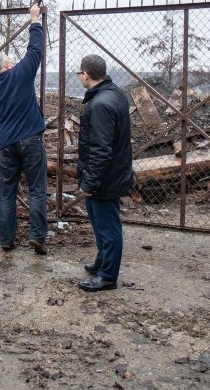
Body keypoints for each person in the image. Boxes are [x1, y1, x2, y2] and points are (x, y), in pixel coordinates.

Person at [0, 3, 49, 255]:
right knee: (37, 190)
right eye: (10, 61)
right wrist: (34, 20)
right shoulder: (21, 74)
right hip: (31, 141)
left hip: (8, 146)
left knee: (7, 192)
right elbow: (35, 48)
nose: (14, 62)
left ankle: (6, 240)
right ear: (6, 66)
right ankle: (37, 236)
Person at [75, 54, 134, 292]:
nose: (80, 77)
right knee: (100, 222)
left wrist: (89, 182)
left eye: (80, 73)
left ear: (86, 75)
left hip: (104, 178)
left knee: (108, 227)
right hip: (112, 173)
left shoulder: (100, 105)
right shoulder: (115, 94)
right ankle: (102, 262)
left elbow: (101, 150)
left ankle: (107, 276)